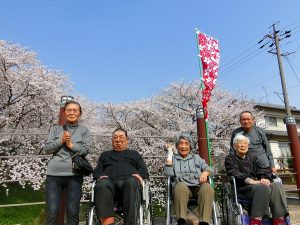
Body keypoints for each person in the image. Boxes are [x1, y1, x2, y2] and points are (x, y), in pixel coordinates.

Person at [225, 133, 289, 225]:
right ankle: (256, 220)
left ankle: (279, 218)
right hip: (243, 189)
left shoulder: (253, 158)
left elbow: (263, 170)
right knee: (263, 188)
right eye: (240, 143)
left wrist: (265, 178)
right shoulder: (230, 158)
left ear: (248, 146)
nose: (243, 145)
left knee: (276, 185)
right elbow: (233, 172)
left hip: (257, 186)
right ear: (234, 146)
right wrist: (251, 181)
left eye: (245, 143)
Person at [44, 101, 91, 225]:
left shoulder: (84, 131)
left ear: (80, 113)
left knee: (73, 212)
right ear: (64, 112)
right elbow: (47, 149)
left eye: (75, 110)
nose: (72, 113)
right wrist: (61, 141)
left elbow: (85, 150)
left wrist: (71, 145)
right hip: (53, 175)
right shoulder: (55, 129)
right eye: (69, 110)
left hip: (75, 175)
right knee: (52, 212)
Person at [93, 128, 149, 225]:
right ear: (112, 140)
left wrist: (139, 175)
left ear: (127, 140)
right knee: (102, 183)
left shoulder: (134, 154)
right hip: (109, 184)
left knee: (131, 182)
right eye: (115, 137)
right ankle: (108, 223)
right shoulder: (105, 155)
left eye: (121, 137)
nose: (118, 140)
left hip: (129, 184)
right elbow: (97, 171)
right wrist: (101, 176)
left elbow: (144, 171)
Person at [164, 133, 214, 225]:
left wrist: (205, 172)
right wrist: (170, 153)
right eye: (181, 143)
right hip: (182, 188)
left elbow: (210, 169)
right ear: (177, 146)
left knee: (207, 187)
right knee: (180, 186)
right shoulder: (173, 158)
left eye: (186, 143)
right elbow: (168, 173)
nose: (183, 146)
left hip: (198, 186)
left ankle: (204, 221)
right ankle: (181, 220)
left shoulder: (196, 157)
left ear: (190, 146)